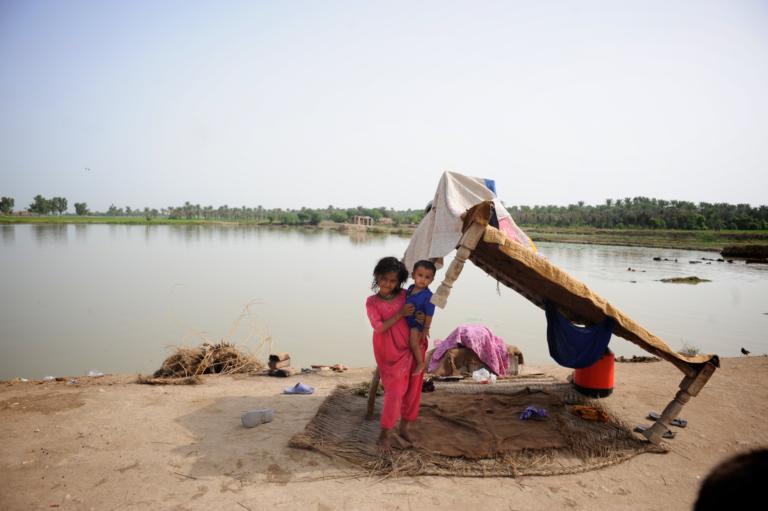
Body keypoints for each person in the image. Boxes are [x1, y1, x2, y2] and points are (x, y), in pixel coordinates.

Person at [365, 256, 427, 453]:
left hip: (413, 347)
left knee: (413, 391)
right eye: (384, 279)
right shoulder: (372, 302)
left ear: (399, 281)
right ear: (377, 276)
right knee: (394, 393)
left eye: (393, 281)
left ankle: (404, 428)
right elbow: (379, 327)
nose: (388, 284)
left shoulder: (406, 295)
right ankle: (384, 434)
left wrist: (421, 318)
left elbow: (423, 309)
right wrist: (400, 314)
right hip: (389, 352)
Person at [405, 260, 437, 375]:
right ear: (413, 275)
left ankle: (420, 363)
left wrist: (426, 328)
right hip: (408, 319)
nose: (423, 279)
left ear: (432, 280)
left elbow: (429, 314)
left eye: (427, 277)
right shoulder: (410, 288)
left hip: (417, 322)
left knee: (413, 343)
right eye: (420, 275)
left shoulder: (428, 296)